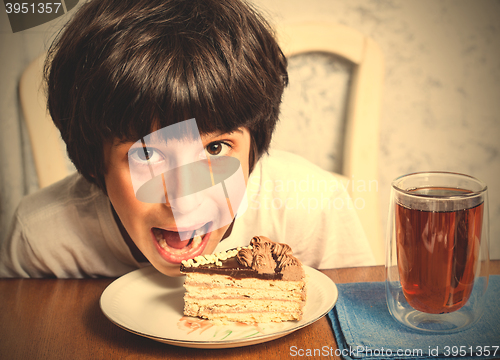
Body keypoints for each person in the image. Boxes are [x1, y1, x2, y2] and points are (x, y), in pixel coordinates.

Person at [0, 0, 374, 278]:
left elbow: (358, 324)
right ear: (94, 163)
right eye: (147, 153)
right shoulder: (42, 241)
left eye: (215, 148)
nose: (185, 200)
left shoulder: (313, 209)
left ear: (253, 151)